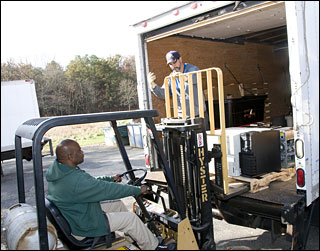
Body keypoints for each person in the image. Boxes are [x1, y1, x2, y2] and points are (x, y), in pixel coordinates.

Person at [46, 139, 175, 250]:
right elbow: (108, 190)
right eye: (79, 151)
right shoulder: (75, 180)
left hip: (78, 214)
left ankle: (135, 237)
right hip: (84, 226)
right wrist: (137, 190)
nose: (82, 152)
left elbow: (92, 183)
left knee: (116, 204)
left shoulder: (61, 170)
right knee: (131, 219)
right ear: (70, 156)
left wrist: (110, 179)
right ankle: (153, 247)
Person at [148, 50, 208, 128]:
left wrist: (184, 77)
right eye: (170, 64)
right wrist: (153, 86)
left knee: (201, 139)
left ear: (180, 59)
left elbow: (196, 78)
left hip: (198, 116)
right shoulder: (171, 77)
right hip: (182, 118)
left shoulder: (192, 69)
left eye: (174, 62)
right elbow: (164, 93)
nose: (173, 66)